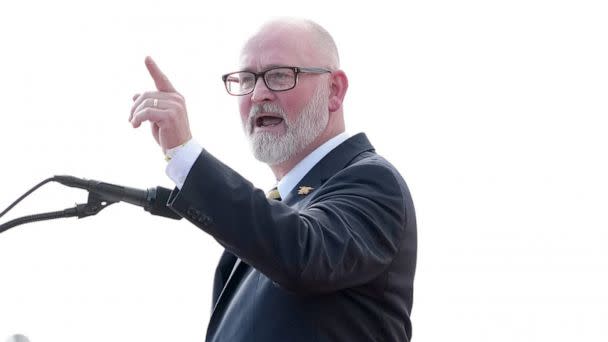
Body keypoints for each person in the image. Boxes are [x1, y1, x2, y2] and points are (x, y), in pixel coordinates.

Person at [129, 18, 417, 342]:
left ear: (334, 90)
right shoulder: (270, 215)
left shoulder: (372, 181)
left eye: (279, 75)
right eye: (246, 79)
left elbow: (302, 252)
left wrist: (186, 156)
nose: (258, 94)